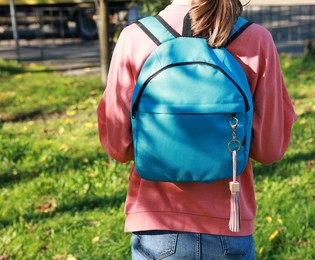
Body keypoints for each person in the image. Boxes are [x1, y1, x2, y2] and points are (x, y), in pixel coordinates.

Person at [97, 0, 297, 258]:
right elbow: (269, 150)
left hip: (156, 224)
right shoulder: (255, 40)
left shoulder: (135, 37)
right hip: (230, 224)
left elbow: (118, 147)